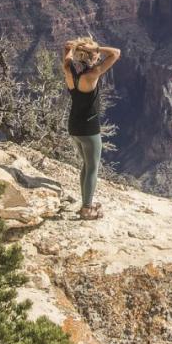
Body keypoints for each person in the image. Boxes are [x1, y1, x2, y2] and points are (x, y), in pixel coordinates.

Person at [61, 37, 120, 220]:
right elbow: (116, 53)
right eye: (96, 55)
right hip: (89, 129)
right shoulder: (91, 75)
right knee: (92, 168)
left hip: (74, 127)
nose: (98, 58)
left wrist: (74, 49)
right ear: (92, 56)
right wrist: (96, 48)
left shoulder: (70, 71)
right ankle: (87, 209)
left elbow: (67, 55)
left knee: (86, 165)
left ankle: (86, 202)